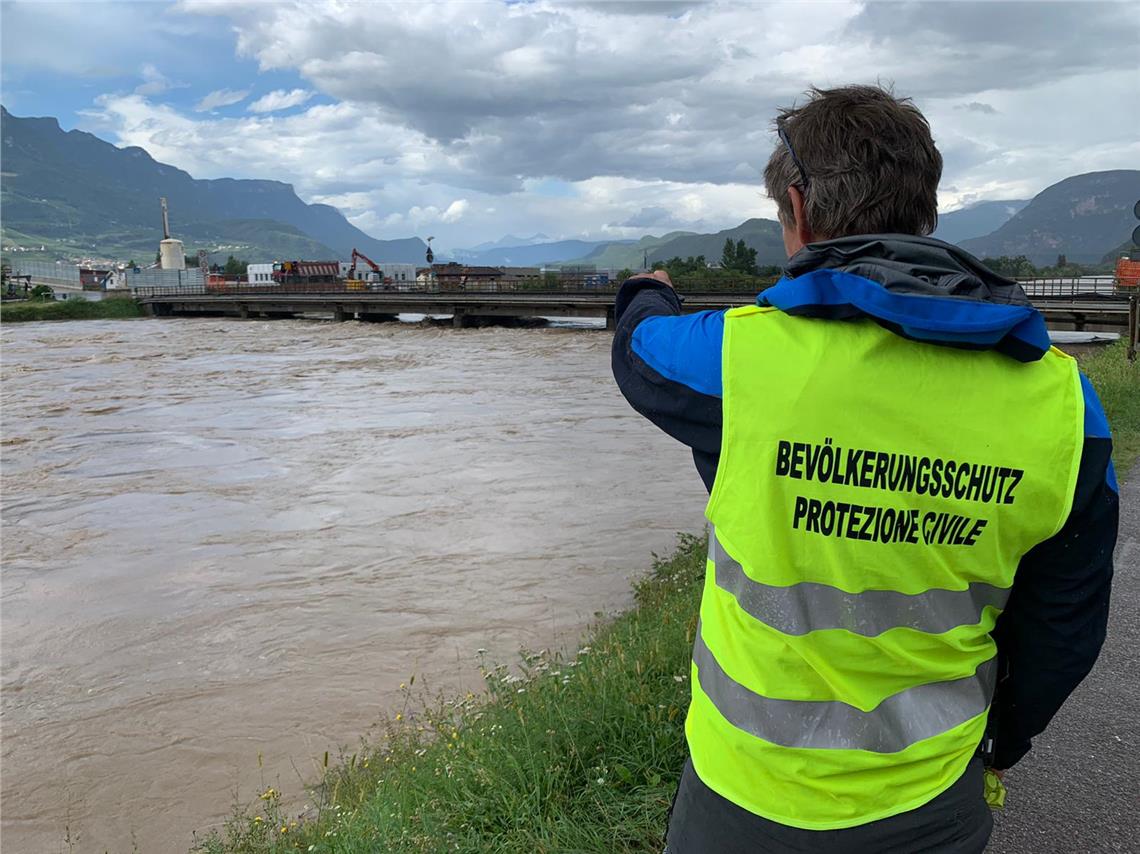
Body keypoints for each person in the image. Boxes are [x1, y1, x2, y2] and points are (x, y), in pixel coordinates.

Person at [611, 85, 1118, 853]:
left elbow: (638, 352)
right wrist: (1004, 739)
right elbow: (1065, 625)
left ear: (798, 210)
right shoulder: (1066, 408)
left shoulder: (738, 361)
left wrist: (645, 292)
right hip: (929, 801)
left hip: (744, 796)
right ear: (924, 212)